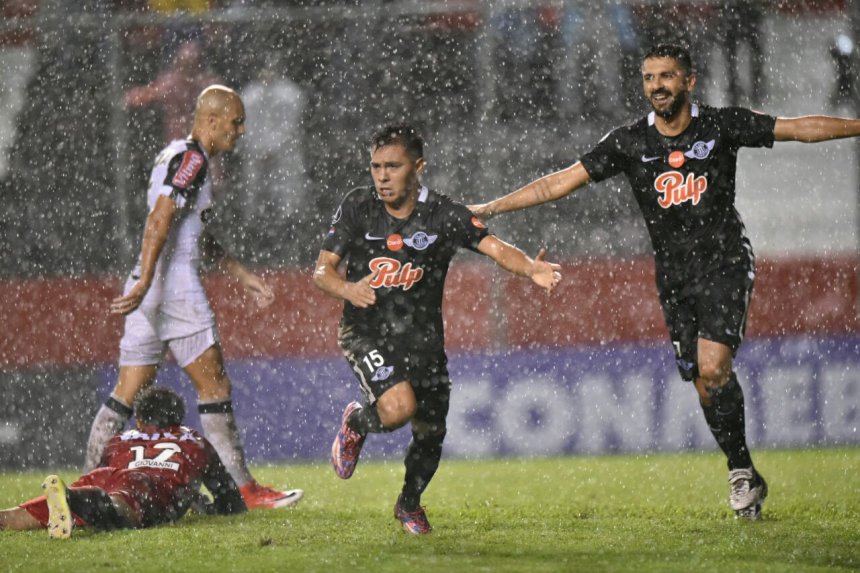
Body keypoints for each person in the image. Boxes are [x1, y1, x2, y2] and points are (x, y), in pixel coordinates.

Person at [470, 43, 860, 520]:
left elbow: (797, 129)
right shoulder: (630, 142)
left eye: (667, 76)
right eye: (649, 77)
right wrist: (491, 207)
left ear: (689, 81)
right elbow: (559, 182)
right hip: (674, 276)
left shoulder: (719, 126)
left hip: (724, 262)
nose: (657, 85)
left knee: (712, 365)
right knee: (703, 381)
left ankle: (738, 475)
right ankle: (744, 471)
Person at [313, 123, 562, 534]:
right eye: (376, 166)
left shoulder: (443, 214)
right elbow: (322, 271)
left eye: (392, 166)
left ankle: (409, 504)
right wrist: (347, 289)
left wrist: (531, 268)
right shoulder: (358, 206)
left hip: (423, 342)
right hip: (366, 332)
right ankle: (357, 422)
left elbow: (494, 248)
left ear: (419, 168)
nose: (382, 176)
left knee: (431, 433)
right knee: (397, 408)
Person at [84, 85, 302, 510]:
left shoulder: (174, 154)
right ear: (212, 120)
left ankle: (90, 484)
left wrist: (239, 274)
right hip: (173, 287)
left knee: (126, 392)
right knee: (214, 383)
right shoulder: (194, 160)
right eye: (236, 122)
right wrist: (150, 280)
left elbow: (189, 230)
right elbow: (160, 218)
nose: (241, 130)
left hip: (152, 286)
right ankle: (243, 489)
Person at [0, 386, 246, 538]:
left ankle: (10, 516)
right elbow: (231, 502)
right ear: (178, 419)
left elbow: (105, 471)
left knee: (78, 505)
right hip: (144, 485)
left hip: (107, 474)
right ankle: (72, 499)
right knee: (117, 510)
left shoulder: (119, 439)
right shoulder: (194, 441)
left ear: (139, 420)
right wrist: (204, 504)